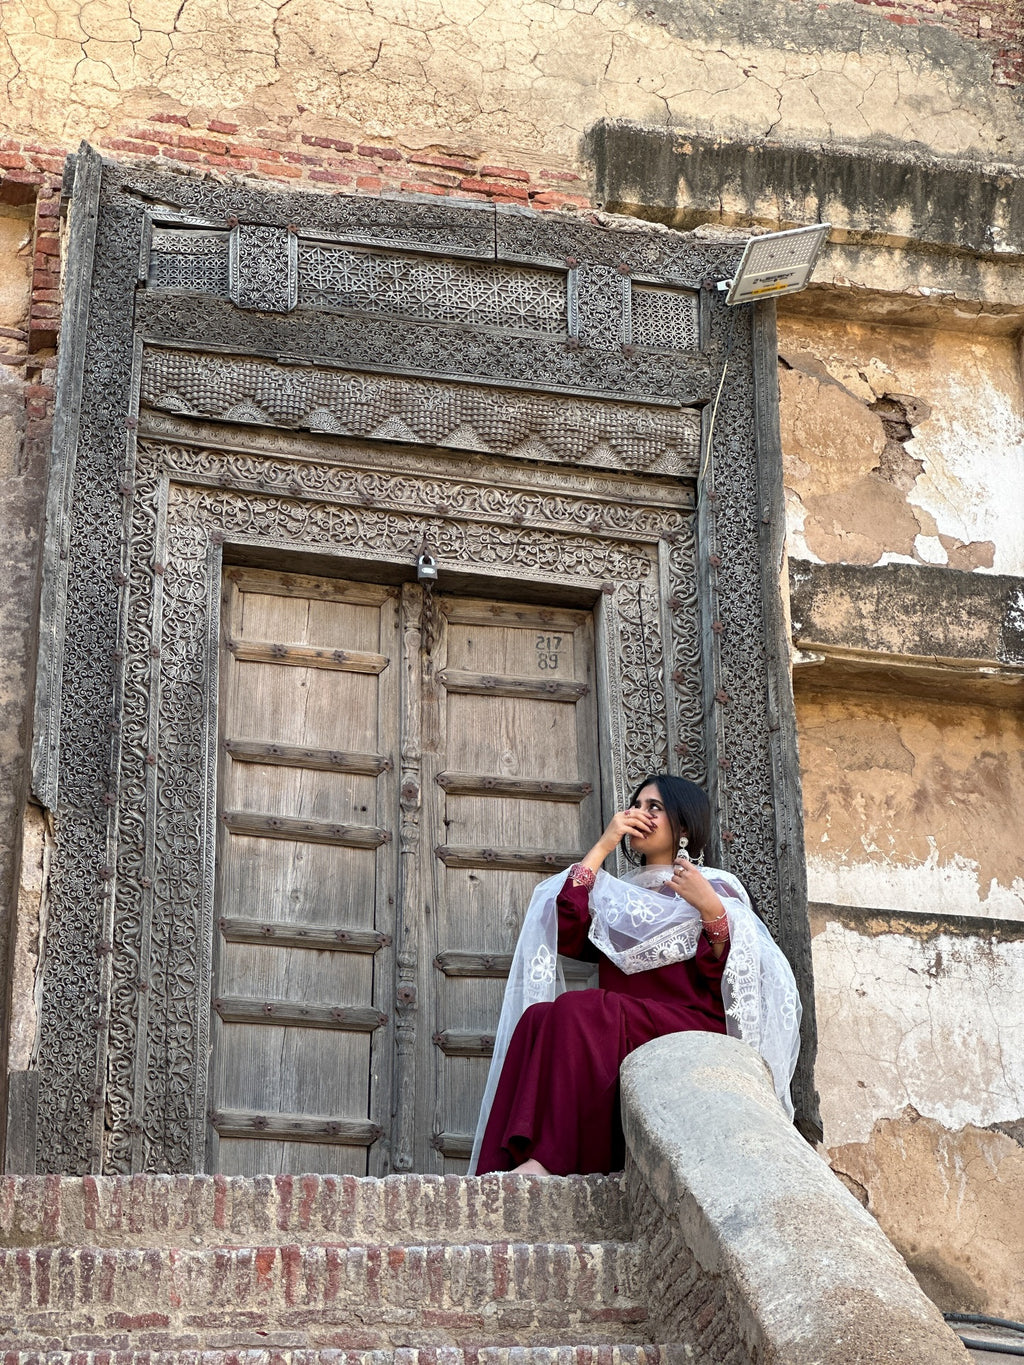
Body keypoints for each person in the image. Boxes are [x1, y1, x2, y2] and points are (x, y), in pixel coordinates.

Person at [469, 774, 801, 1177]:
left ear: (683, 826)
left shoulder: (715, 886)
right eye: (636, 805)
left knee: (581, 1009)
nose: (639, 814)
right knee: (538, 1018)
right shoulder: (618, 895)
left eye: (654, 808)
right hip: (622, 1023)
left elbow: (736, 978)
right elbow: (565, 928)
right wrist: (603, 846)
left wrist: (711, 909)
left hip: (689, 1023)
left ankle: (548, 1162)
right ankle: (510, 1163)